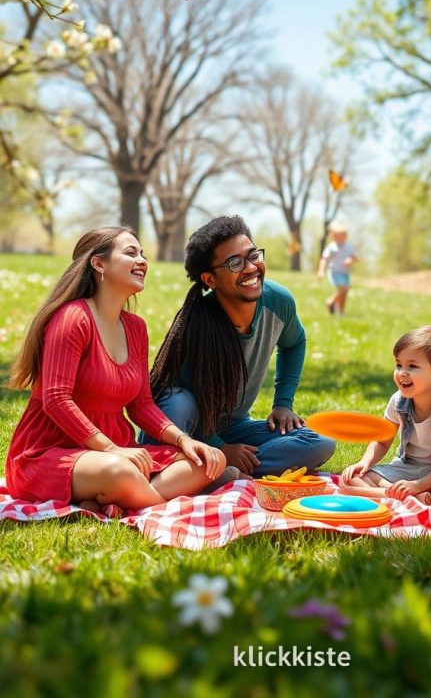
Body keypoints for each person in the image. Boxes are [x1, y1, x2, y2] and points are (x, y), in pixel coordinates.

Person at [5, 227, 227, 512]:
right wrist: (111, 450)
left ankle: (114, 499)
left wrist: (184, 440)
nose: (142, 260)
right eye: (130, 252)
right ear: (98, 263)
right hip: (49, 453)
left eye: (143, 254)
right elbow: (56, 399)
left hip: (116, 449)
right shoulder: (72, 318)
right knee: (119, 472)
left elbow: (142, 405)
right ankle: (147, 504)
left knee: (209, 462)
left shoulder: (136, 328)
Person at [143, 215, 336, 477]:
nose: (250, 268)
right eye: (235, 262)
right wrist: (220, 447)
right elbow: (187, 399)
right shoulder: (197, 325)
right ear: (210, 279)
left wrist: (283, 403)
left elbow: (295, 342)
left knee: (320, 443)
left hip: (234, 427)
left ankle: (211, 472)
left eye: (253, 255)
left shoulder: (278, 302)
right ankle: (186, 466)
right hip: (181, 427)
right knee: (179, 402)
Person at [340, 326, 431, 503]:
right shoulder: (398, 401)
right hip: (408, 467)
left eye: (412, 366)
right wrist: (365, 462)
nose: (402, 372)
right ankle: (401, 496)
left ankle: (403, 495)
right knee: (351, 478)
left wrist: (419, 484)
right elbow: (381, 441)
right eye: (398, 364)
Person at [317, 221, 358, 316]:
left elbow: (355, 258)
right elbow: (324, 259)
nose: (342, 237)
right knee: (344, 289)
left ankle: (341, 312)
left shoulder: (349, 246)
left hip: (345, 273)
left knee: (344, 294)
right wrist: (320, 271)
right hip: (334, 272)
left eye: (344, 235)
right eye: (339, 235)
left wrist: (350, 260)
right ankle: (330, 301)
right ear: (333, 236)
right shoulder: (332, 247)